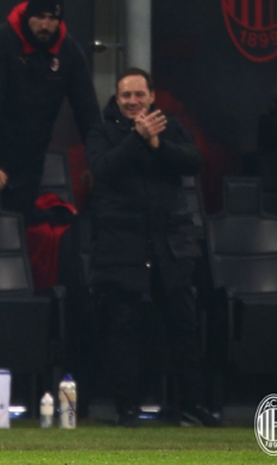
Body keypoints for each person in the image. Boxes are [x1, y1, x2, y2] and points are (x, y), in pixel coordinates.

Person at [85, 67, 220, 428]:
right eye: (125, 95)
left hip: (170, 244)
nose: (132, 101)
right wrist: (137, 139)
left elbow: (193, 161)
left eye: (139, 95)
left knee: (183, 326)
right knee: (122, 328)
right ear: (116, 97)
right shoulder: (102, 131)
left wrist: (157, 143)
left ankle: (191, 407)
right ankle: (125, 408)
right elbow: (102, 169)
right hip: (120, 244)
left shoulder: (170, 127)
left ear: (152, 96)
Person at [0, 0, 100, 224]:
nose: (45, 25)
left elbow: (87, 110)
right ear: (26, 17)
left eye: (52, 19)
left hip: (33, 155)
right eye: (39, 18)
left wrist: (98, 161)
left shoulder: (67, 50)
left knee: (24, 225)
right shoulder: (1, 41)